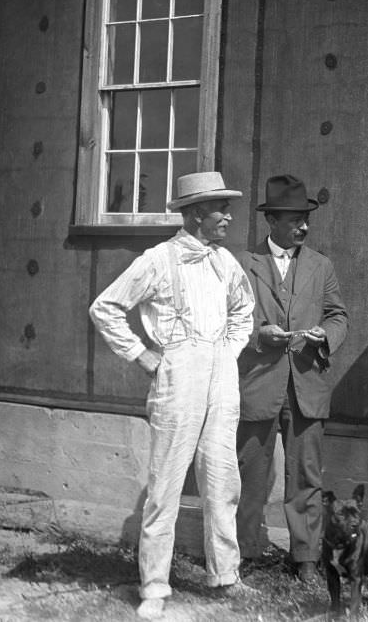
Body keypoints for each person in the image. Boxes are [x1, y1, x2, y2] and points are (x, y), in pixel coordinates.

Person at [89, 171, 255, 620]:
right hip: (177, 371)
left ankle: (224, 575)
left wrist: (228, 350)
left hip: (221, 374)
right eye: (221, 208)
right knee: (164, 486)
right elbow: (105, 307)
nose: (228, 215)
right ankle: (155, 587)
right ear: (197, 213)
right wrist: (143, 355)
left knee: (223, 481)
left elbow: (244, 311)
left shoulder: (226, 263)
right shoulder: (158, 260)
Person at [235, 174, 348, 582]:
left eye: (306, 219)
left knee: (306, 476)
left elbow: (338, 316)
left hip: (307, 387)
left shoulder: (321, 265)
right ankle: (244, 552)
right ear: (271, 222)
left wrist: (326, 337)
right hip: (258, 383)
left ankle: (305, 559)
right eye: (293, 220)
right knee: (251, 473)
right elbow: (227, 321)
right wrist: (257, 336)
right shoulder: (244, 266)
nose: (302, 227)